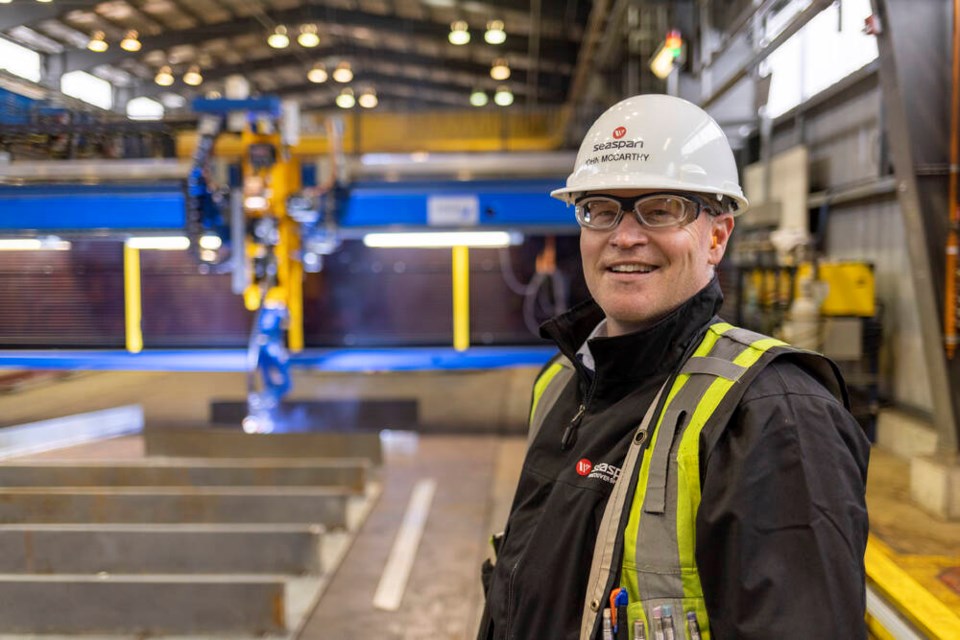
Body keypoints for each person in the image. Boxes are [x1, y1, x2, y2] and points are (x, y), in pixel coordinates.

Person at [477, 94, 870, 640]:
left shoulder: (773, 415)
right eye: (600, 209)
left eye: (662, 209)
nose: (625, 235)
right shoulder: (561, 385)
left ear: (716, 236)